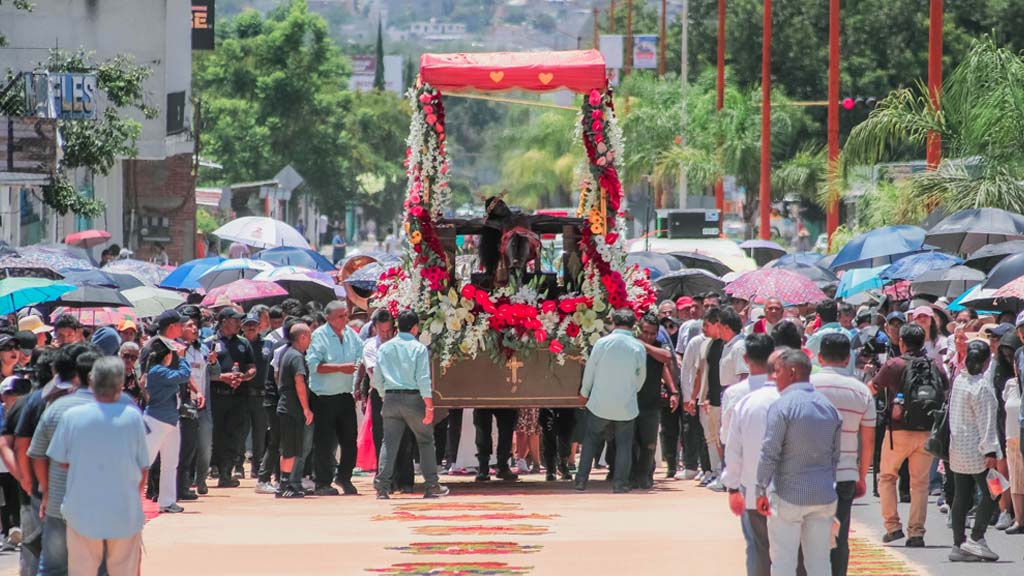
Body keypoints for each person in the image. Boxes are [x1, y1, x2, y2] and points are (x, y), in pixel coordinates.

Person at [45, 357, 149, 576]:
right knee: (123, 570)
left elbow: (61, 461)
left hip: (81, 509)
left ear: (91, 381)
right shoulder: (132, 417)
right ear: (121, 383)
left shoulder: (71, 417)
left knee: (81, 570)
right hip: (124, 510)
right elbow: (143, 468)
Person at [755, 349, 841, 576]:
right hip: (823, 495)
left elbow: (769, 452)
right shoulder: (828, 407)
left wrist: (759, 488)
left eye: (778, 371)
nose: (774, 377)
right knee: (820, 563)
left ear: (792, 373)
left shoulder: (782, 406)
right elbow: (834, 456)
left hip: (788, 496)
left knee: (783, 563)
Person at [870, 323, 947, 547]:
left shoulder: (894, 364)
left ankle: (893, 526)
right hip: (926, 432)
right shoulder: (934, 365)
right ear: (923, 342)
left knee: (887, 477)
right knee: (920, 484)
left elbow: (873, 388)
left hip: (898, 432)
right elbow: (944, 390)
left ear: (901, 342)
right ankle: (916, 533)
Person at [28, 349, 103, 575]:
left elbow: (36, 454)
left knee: (54, 569)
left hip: (59, 502)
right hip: (105, 505)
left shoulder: (55, 408)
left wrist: (47, 490)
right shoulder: (120, 410)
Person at [810, 333, 876, 576]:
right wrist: (861, 475)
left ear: (819, 357)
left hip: (809, 474)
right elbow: (867, 441)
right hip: (845, 475)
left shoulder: (807, 387)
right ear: (848, 358)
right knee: (839, 537)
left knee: (807, 536)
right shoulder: (860, 391)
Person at [371, 310, 448, 499]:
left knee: (389, 443)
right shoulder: (419, 348)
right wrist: (429, 406)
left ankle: (382, 487)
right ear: (415, 328)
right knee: (425, 441)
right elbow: (423, 379)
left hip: (390, 398)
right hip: (413, 399)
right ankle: (431, 485)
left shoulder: (385, 348)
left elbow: (377, 378)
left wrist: (383, 396)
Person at [722, 343, 780, 576]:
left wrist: (732, 486)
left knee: (757, 547)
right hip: (789, 487)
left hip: (751, 485)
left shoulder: (736, 395)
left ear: (746, 359)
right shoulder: (786, 394)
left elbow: (728, 442)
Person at [575, 309, 647, 493]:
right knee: (624, 443)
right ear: (634, 325)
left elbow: (590, 370)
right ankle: (620, 483)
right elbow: (641, 377)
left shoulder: (602, 343)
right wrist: (631, 391)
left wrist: (584, 393)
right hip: (626, 405)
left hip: (600, 402)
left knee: (590, 440)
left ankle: (581, 481)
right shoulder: (638, 347)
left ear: (613, 322)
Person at [947, 340, 1002, 562]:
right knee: (994, 491)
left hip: (958, 449)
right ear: (987, 361)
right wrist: (991, 451)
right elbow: (987, 422)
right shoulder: (983, 387)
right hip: (979, 451)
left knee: (961, 496)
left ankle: (958, 543)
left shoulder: (959, 380)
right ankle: (976, 538)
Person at [306, 301, 363, 496]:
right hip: (323, 398)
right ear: (329, 318)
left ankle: (344, 477)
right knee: (324, 442)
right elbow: (314, 365)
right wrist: (340, 368)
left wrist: (357, 384)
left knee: (350, 440)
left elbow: (360, 358)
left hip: (345, 395)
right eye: (341, 316)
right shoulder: (319, 336)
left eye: (346, 315)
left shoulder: (351, 335)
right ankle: (322, 482)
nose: (345, 319)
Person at [143, 330, 192, 514]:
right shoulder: (156, 371)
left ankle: (167, 501)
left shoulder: (162, 370)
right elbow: (184, 375)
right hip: (155, 421)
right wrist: (183, 358)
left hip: (171, 420)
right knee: (143, 462)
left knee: (171, 463)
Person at [208, 307, 257, 489]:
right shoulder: (210, 343)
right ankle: (216, 468)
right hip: (217, 396)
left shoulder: (243, 343)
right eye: (235, 320)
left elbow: (252, 367)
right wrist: (223, 377)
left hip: (238, 396)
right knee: (217, 435)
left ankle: (226, 474)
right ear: (223, 321)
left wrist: (243, 376)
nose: (238, 323)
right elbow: (203, 372)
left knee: (235, 436)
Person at [276, 323, 315, 499]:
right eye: (309, 337)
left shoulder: (287, 354)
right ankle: (285, 485)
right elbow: (299, 383)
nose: (310, 341)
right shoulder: (297, 357)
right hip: (292, 409)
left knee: (288, 447)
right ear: (302, 337)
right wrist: (306, 408)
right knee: (290, 449)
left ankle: (285, 483)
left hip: (285, 406)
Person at [239, 313, 269, 482]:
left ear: (260, 326)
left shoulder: (268, 345)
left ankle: (257, 467)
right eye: (248, 324)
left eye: (254, 324)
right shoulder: (238, 344)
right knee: (240, 432)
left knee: (260, 434)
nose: (251, 327)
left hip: (260, 395)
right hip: (241, 395)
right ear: (242, 326)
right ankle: (237, 466)